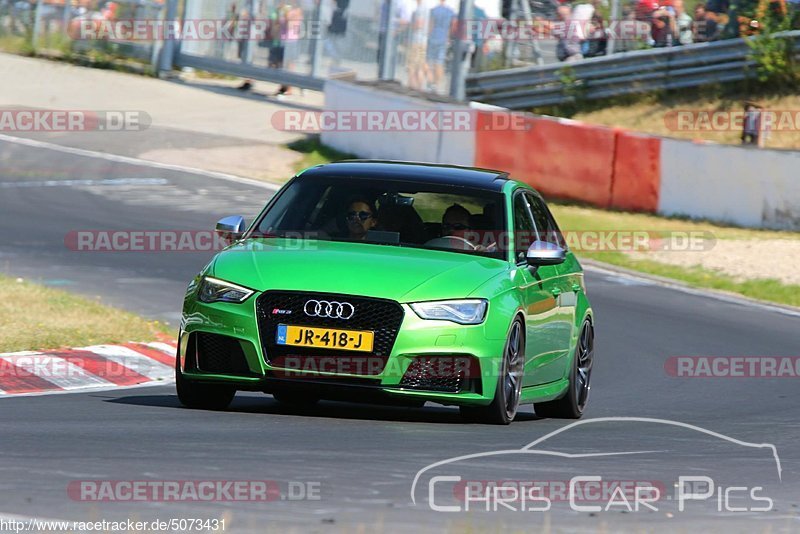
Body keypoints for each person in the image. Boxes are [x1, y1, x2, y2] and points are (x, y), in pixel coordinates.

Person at [426, 0, 455, 93]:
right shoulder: (450, 12)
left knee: (429, 61)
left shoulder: (433, 10)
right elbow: (452, 27)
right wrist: (449, 37)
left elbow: (431, 25)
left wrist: (427, 35)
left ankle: (430, 82)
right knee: (439, 62)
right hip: (443, 39)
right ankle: (436, 84)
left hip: (433, 37)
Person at [406, 0, 429, 91]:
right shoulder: (426, 9)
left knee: (412, 64)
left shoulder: (419, 10)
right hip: (423, 40)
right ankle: (419, 86)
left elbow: (419, 23)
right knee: (420, 63)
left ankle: (411, 85)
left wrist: (411, 26)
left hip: (416, 40)